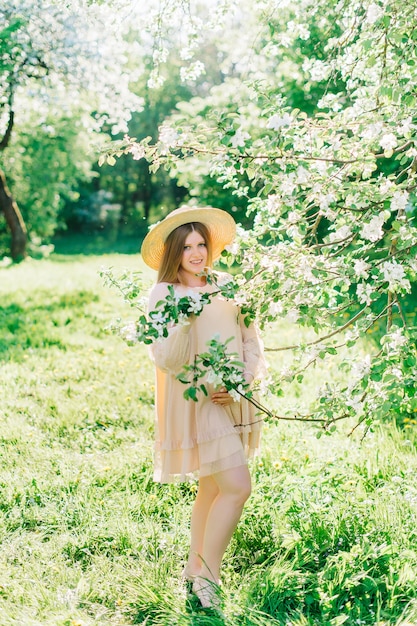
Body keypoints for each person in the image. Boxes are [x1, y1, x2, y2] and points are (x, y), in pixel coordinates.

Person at [140, 205, 265, 610]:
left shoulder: (228, 284)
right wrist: (186, 320)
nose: (196, 253)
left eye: (201, 244)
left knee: (212, 488)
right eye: (187, 246)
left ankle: (194, 569)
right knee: (237, 486)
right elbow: (166, 358)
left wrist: (240, 381)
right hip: (198, 400)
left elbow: (251, 339)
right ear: (173, 253)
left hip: (231, 396)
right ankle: (209, 577)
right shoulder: (165, 294)